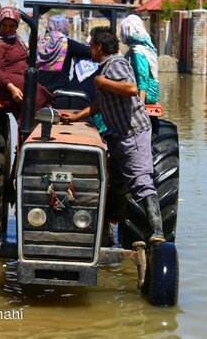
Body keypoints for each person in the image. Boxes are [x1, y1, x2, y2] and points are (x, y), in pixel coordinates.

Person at [66, 27, 164, 244]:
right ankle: (109, 233)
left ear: (99, 46)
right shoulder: (104, 67)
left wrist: (103, 83)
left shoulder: (116, 64)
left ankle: (158, 232)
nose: (89, 50)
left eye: (91, 45)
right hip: (118, 136)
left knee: (141, 181)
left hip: (134, 133)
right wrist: (76, 117)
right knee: (116, 185)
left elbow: (130, 88)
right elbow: (100, 104)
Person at [0, 6, 52, 119]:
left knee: (40, 89)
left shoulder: (15, 38)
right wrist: (12, 88)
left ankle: (42, 122)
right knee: (32, 90)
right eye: (4, 25)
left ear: (17, 25)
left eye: (12, 26)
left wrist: (31, 43)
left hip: (16, 75)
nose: (7, 29)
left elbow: (21, 54)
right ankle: (31, 127)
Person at [37, 15, 92, 96]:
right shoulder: (67, 43)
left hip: (40, 91)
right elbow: (89, 51)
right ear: (65, 27)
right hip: (61, 91)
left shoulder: (39, 43)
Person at [119, 14, 159, 104]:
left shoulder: (139, 51)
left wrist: (140, 105)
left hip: (148, 94)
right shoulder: (142, 48)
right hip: (140, 89)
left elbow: (143, 78)